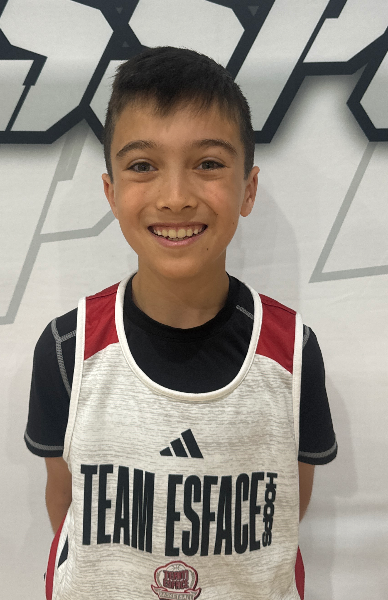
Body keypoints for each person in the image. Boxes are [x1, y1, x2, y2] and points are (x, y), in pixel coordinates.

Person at [25, 46, 337, 600]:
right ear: (111, 191)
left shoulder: (291, 352)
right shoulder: (67, 347)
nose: (175, 198)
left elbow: (288, 507)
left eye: (208, 164)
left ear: (248, 189)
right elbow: (65, 500)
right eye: (143, 166)